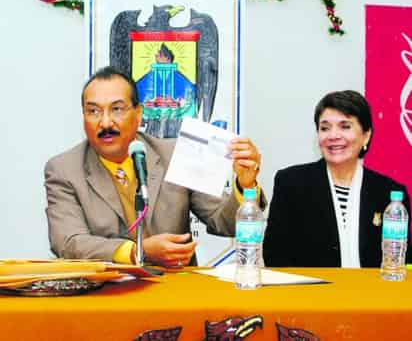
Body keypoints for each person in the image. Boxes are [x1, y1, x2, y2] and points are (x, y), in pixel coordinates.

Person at [45, 66, 264, 268]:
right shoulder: (64, 169)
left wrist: (245, 185)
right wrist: (136, 252)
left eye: (117, 109)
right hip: (105, 297)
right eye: (93, 111)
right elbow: (68, 242)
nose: (105, 123)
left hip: (176, 293)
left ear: (138, 113)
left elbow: (225, 223)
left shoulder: (176, 154)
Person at [263, 90, 411, 268]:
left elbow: (402, 260)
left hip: (375, 294)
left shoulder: (389, 193)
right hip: (310, 293)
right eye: (325, 128)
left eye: (345, 126)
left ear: (366, 135)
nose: (333, 136)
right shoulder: (291, 183)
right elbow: (275, 256)